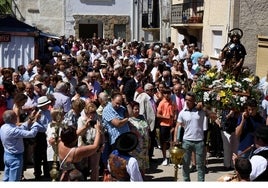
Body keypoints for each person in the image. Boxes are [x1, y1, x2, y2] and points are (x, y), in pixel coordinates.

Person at [173, 91, 208, 181]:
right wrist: (175, 139)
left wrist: (204, 108)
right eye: (186, 100)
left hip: (199, 141)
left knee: (200, 165)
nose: (187, 102)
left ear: (194, 101)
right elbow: (178, 126)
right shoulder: (182, 112)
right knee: (185, 164)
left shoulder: (201, 111)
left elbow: (213, 116)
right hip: (186, 141)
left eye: (190, 100)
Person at [0, 110, 41, 181]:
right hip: (15, 157)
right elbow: (31, 134)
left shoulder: (3, 127)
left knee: (7, 178)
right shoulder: (12, 130)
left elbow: (20, 128)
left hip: (7, 155)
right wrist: (36, 123)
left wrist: (30, 119)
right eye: (15, 116)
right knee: (14, 180)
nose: (17, 117)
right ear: (12, 118)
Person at [134, 83, 157, 163]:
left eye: (152, 89)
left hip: (153, 123)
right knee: (147, 142)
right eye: (149, 90)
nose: (151, 91)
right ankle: (147, 159)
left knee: (151, 141)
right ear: (145, 90)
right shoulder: (143, 97)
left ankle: (150, 157)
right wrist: (145, 124)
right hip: (147, 124)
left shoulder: (152, 97)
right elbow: (142, 112)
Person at [128, 101, 150, 177]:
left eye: (138, 109)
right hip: (135, 147)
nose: (137, 111)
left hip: (144, 145)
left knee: (143, 164)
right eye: (135, 109)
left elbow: (147, 129)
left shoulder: (142, 117)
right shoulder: (129, 120)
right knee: (136, 164)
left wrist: (149, 140)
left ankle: (143, 178)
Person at [157, 87, 176, 166]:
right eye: (165, 93)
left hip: (171, 125)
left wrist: (174, 117)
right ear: (163, 94)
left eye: (168, 93)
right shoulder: (161, 103)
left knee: (172, 142)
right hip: (163, 125)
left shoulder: (172, 102)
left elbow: (175, 111)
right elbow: (157, 114)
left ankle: (172, 158)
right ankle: (164, 158)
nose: (167, 95)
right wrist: (166, 117)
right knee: (164, 142)